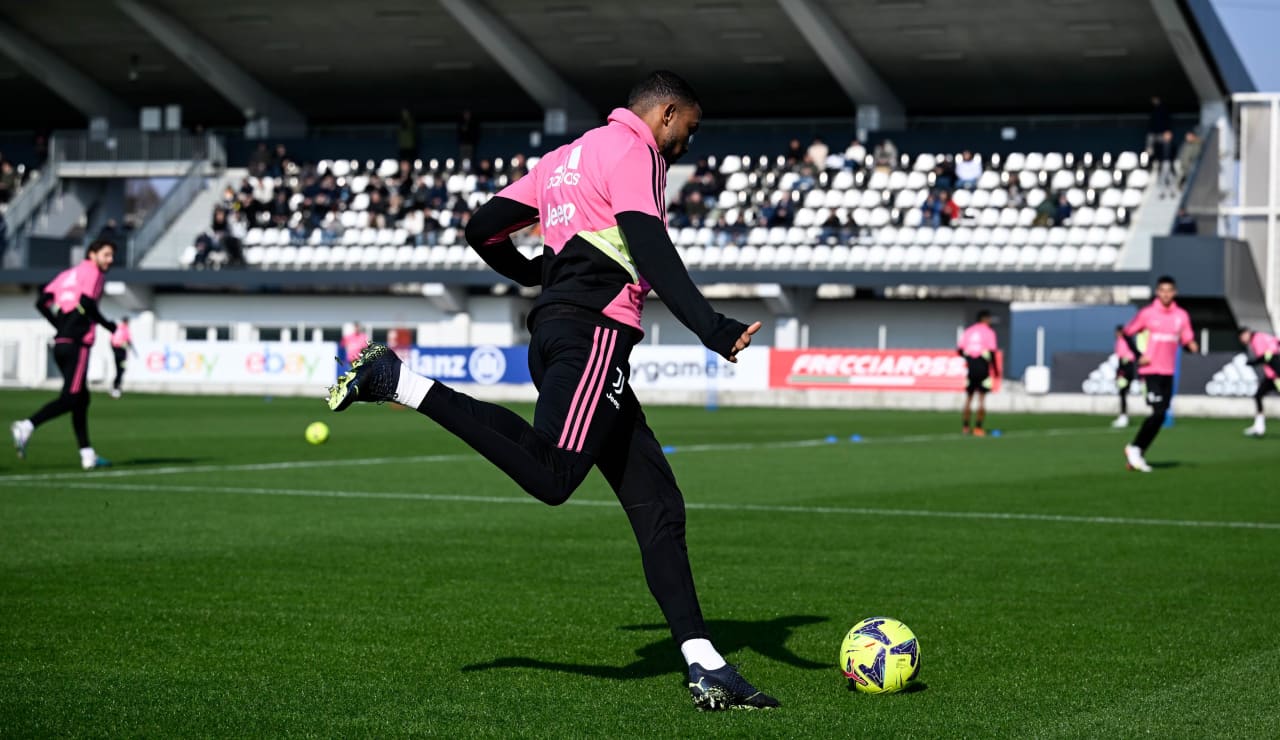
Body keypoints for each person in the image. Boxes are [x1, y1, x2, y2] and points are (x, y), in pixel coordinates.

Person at [326, 70, 775, 711]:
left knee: (658, 503)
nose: (686, 146)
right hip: (593, 333)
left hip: (561, 330)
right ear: (666, 113)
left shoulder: (566, 158)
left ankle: (704, 663)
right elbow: (648, 244)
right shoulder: (635, 151)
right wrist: (713, 327)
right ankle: (399, 380)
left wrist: (538, 272)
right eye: (689, 131)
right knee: (553, 474)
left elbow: (482, 227)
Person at [11, 239, 119, 469]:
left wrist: (59, 325)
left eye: (112, 256)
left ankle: (87, 455)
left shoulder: (68, 274)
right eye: (106, 254)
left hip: (61, 342)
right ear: (92, 254)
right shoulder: (93, 273)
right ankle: (27, 425)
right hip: (78, 343)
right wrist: (109, 325)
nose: (110, 260)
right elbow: (87, 304)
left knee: (81, 399)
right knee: (70, 398)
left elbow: (41, 302)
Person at [1121, 276, 1197, 472]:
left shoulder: (1181, 315)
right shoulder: (1147, 314)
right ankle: (1136, 448)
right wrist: (1139, 355)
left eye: (1169, 290)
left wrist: (1191, 345)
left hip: (1168, 371)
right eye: (1162, 290)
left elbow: (1187, 338)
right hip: (1150, 370)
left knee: (1161, 416)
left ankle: (1136, 452)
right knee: (1159, 412)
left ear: (1175, 292)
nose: (1165, 294)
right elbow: (1127, 333)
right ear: (1157, 292)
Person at [958, 310, 999, 436]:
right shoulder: (989, 332)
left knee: (969, 398)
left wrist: (969, 359)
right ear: (984, 319)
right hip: (983, 368)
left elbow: (960, 350)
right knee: (981, 399)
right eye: (989, 319)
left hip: (971, 368)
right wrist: (995, 370)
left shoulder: (968, 331)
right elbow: (992, 352)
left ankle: (965, 427)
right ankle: (978, 428)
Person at [1238, 327, 1280, 437]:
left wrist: (1252, 362)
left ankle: (1259, 427)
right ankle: (1259, 427)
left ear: (1246, 333)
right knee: (1258, 395)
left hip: (1276, 375)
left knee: (1258, 395)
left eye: (1242, 336)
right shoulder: (1260, 337)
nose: (1242, 340)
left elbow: (1267, 357)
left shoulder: (1257, 339)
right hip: (1272, 375)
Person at [1111, 325, 1139, 428]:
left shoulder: (1123, 341)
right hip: (1125, 367)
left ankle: (1123, 416)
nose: (1116, 334)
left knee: (1123, 392)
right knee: (1122, 392)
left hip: (1126, 368)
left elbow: (1125, 357)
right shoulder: (1121, 341)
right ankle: (1123, 415)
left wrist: (1121, 372)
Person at [109, 316, 138, 399]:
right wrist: (133, 350)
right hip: (122, 353)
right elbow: (128, 341)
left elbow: (111, 342)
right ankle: (116, 388)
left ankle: (115, 387)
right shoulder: (125, 330)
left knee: (118, 370)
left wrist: (114, 351)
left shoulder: (117, 329)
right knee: (121, 370)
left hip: (117, 352)